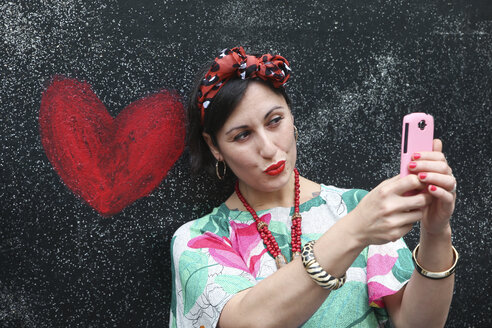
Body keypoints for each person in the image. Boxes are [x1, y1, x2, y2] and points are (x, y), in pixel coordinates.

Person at [170, 47, 458, 327]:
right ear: (214, 146)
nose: (269, 149)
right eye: (243, 135)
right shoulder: (200, 239)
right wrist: (356, 230)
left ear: (292, 116)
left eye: (275, 121)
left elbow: (418, 323)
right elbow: (248, 321)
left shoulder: (356, 206)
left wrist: (436, 233)